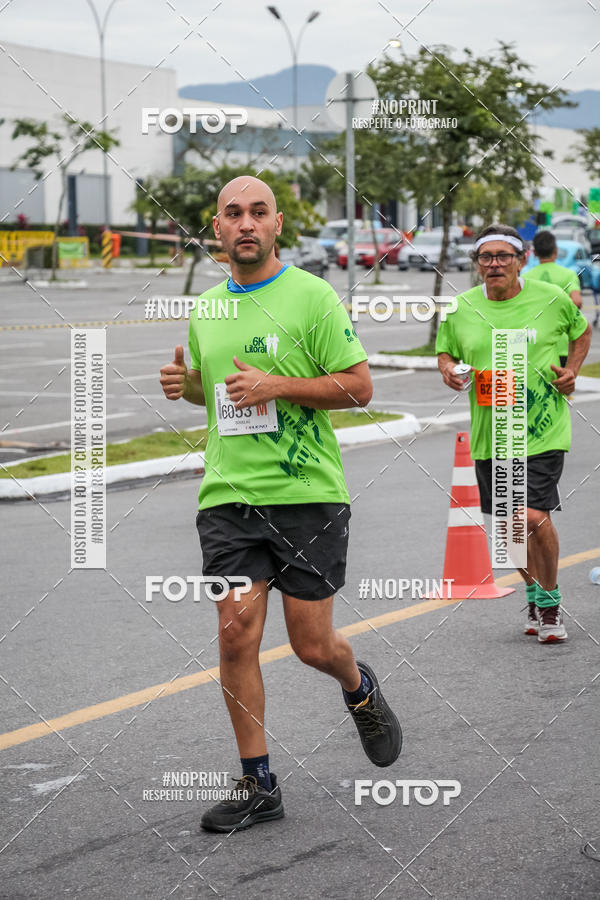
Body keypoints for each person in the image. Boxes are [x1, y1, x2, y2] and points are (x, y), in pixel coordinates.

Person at [160, 175, 401, 833]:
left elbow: (359, 388)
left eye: (257, 212)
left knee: (311, 644)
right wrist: (187, 388)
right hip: (229, 497)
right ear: (216, 228)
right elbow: (219, 396)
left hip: (307, 495)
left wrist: (280, 384)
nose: (245, 223)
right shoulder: (205, 308)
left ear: (277, 224)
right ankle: (258, 783)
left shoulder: (312, 296)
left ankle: (358, 684)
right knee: (235, 631)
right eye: (233, 213)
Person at [436, 223, 591, 643]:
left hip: (543, 430)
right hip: (491, 433)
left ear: (521, 261)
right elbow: (445, 351)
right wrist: (449, 370)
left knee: (532, 516)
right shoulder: (461, 307)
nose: (495, 264)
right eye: (486, 258)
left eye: (504, 256)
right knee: (508, 528)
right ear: (477, 265)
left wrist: (573, 370)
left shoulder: (552, 300)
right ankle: (536, 592)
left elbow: (581, 332)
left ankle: (551, 603)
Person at [523, 230, 582, 368]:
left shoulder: (525, 277)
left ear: (535, 253)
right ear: (555, 250)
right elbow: (577, 301)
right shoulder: (568, 275)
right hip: (561, 344)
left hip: (533, 343)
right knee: (560, 387)